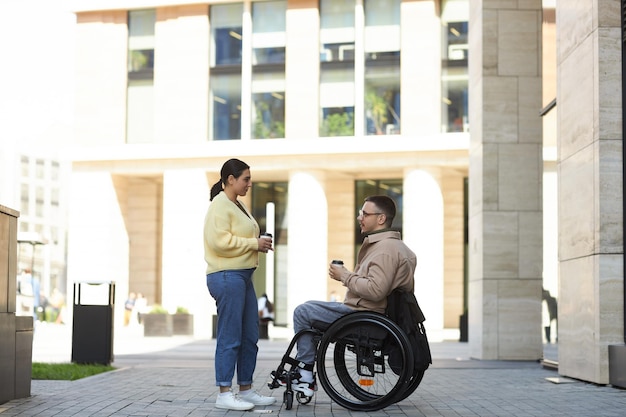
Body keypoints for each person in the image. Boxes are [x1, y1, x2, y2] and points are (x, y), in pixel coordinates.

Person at [288, 195, 417, 397]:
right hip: (372, 315)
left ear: (381, 218)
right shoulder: (398, 248)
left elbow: (376, 291)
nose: (360, 217)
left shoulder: (384, 250)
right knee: (310, 310)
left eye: (365, 213)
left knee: (303, 312)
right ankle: (305, 368)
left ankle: (304, 374)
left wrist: (344, 275)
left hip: (363, 317)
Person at [204, 158, 276, 411]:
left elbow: (239, 237)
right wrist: (253, 244)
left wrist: (258, 243)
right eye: (245, 178)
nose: (249, 183)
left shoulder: (238, 205)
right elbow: (219, 241)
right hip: (226, 276)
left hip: (242, 276)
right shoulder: (219, 205)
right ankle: (224, 392)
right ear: (230, 180)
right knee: (230, 336)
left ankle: (245, 389)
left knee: (249, 337)